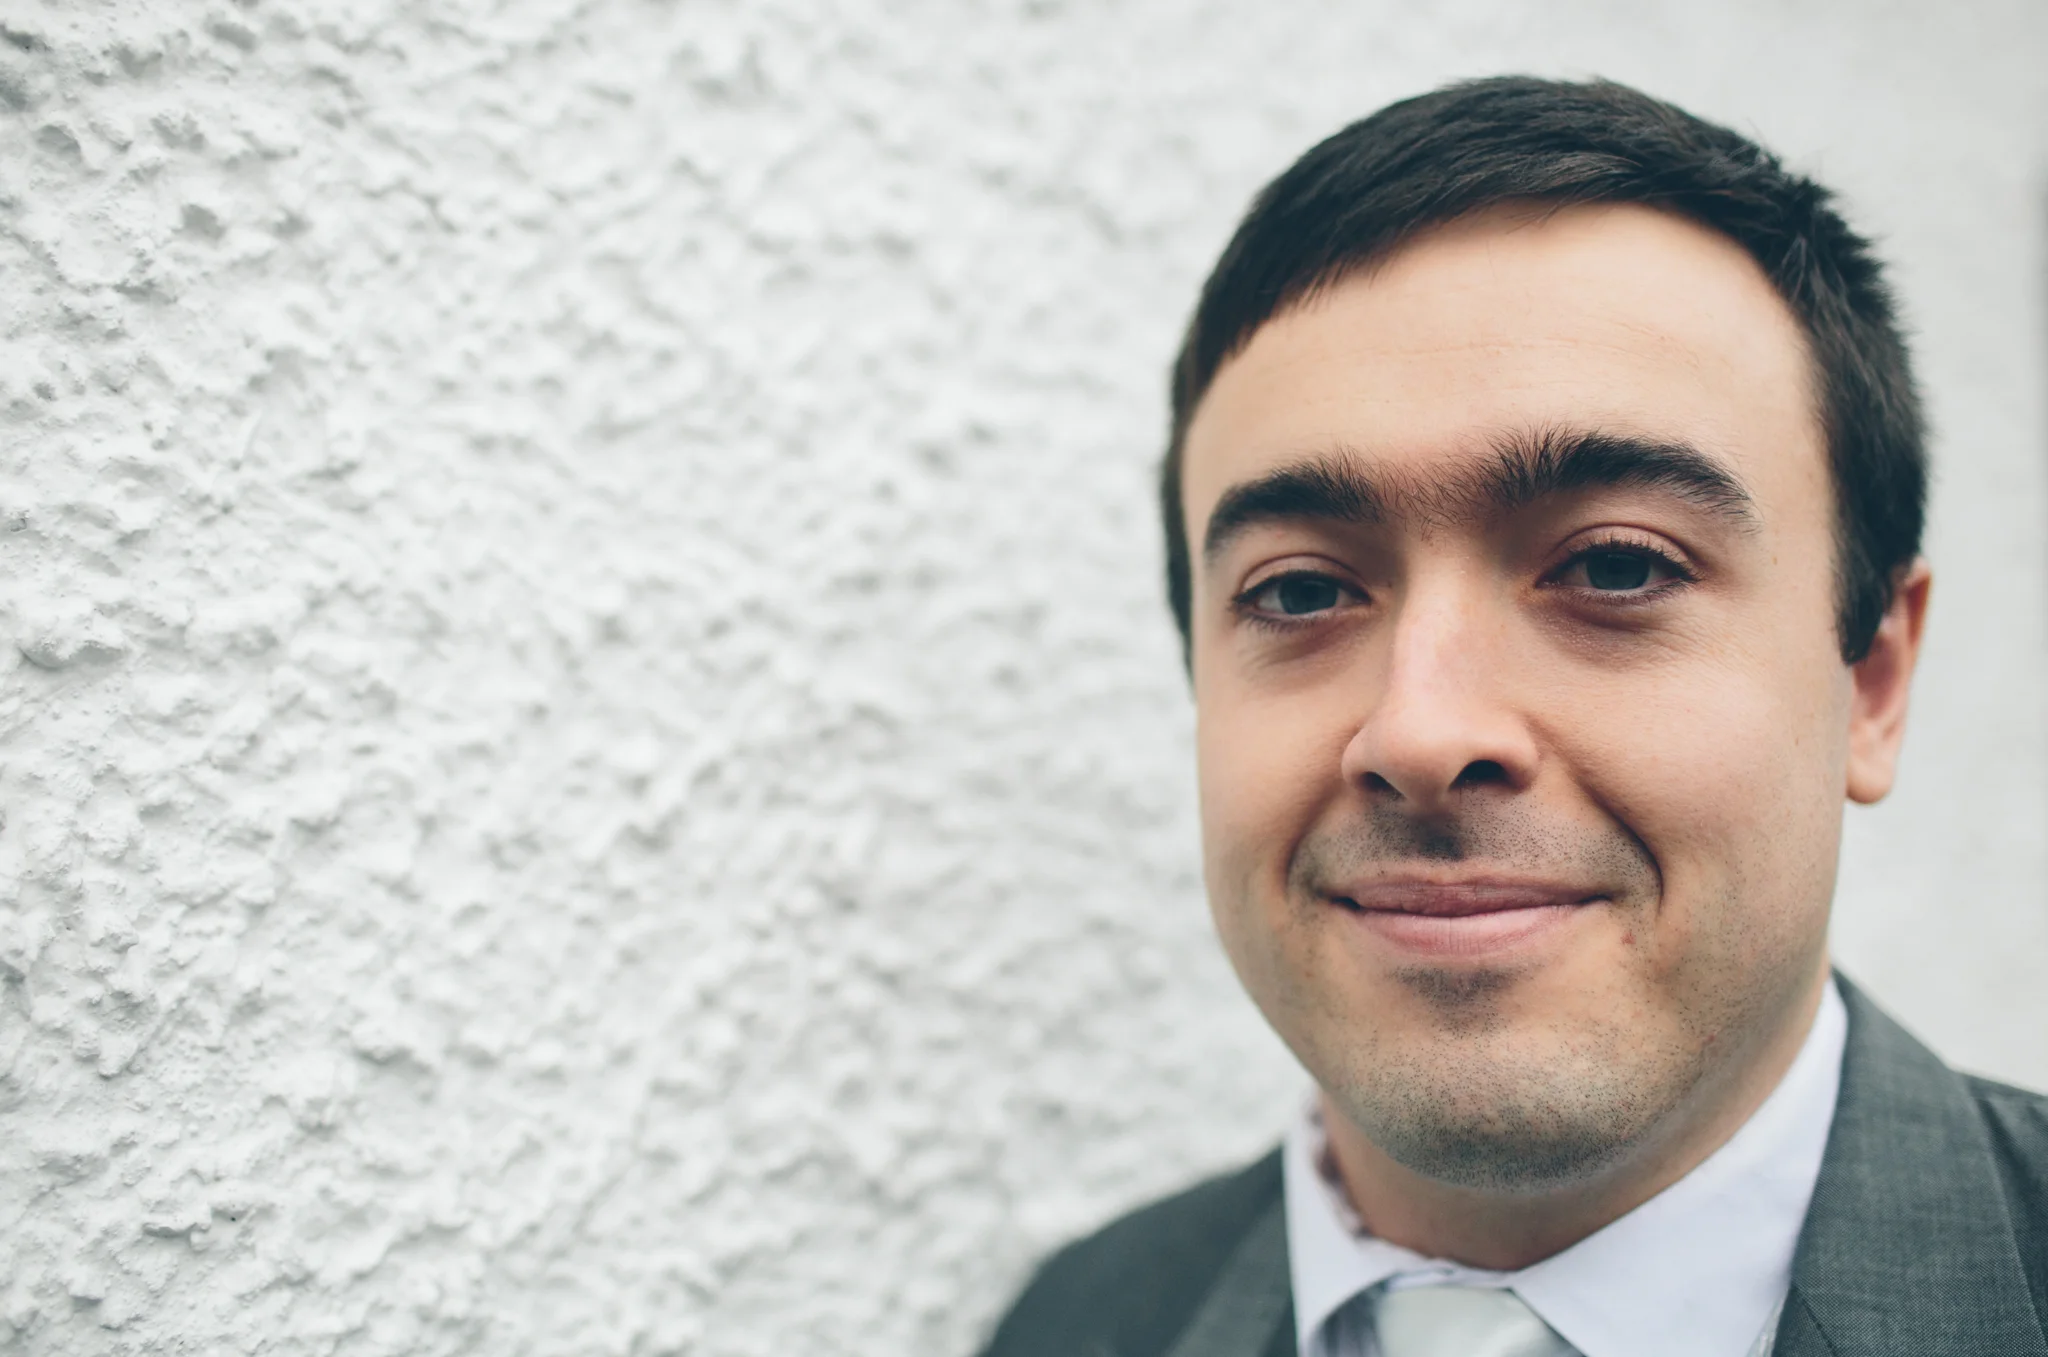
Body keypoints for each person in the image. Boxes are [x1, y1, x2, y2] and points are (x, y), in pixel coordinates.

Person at [977, 76, 2048, 1357]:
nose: (1420, 732)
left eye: (1614, 567)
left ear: (1869, 677)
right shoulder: (1080, 1325)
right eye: (1303, 590)